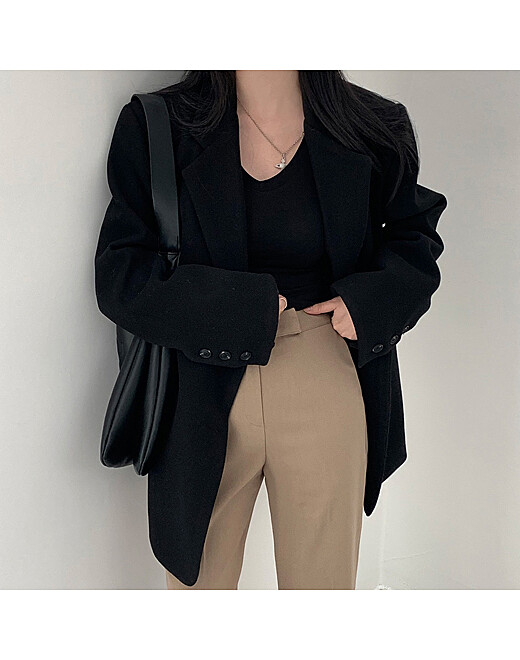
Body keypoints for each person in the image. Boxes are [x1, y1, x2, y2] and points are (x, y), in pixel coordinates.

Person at [94, 70, 447, 589]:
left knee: (322, 593)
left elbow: (414, 236)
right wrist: (243, 310)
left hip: (323, 368)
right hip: (199, 387)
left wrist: (368, 303)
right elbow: (121, 273)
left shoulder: (373, 125)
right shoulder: (157, 124)